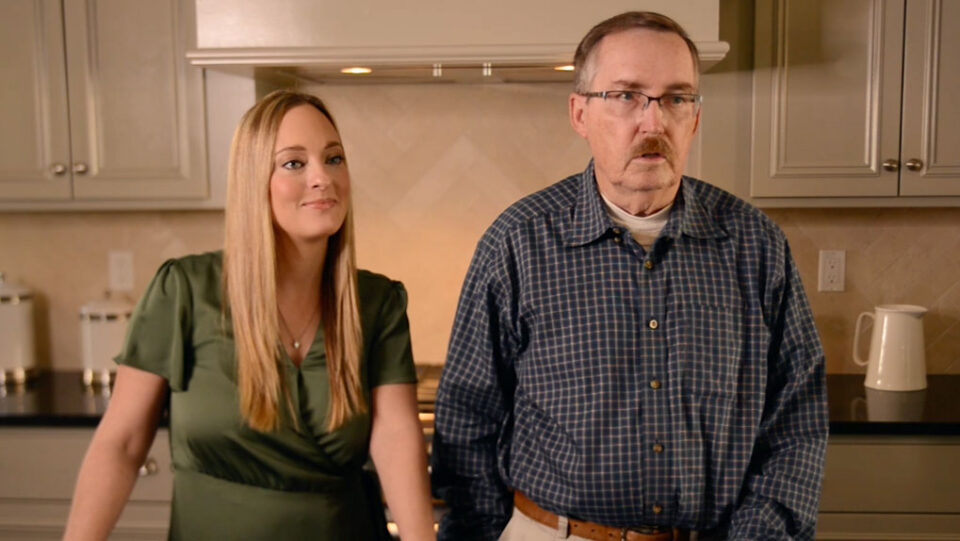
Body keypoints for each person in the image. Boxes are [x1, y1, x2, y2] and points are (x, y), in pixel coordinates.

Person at [431, 11, 827, 541]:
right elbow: (468, 422)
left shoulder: (756, 247)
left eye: (676, 98)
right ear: (579, 113)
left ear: (695, 117)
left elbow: (797, 423)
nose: (653, 122)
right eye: (626, 96)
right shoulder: (518, 242)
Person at [63, 90, 435, 540]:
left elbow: (395, 438)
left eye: (334, 158)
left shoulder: (376, 302)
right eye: (294, 163)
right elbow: (120, 445)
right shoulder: (184, 291)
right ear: (253, 180)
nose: (323, 178)